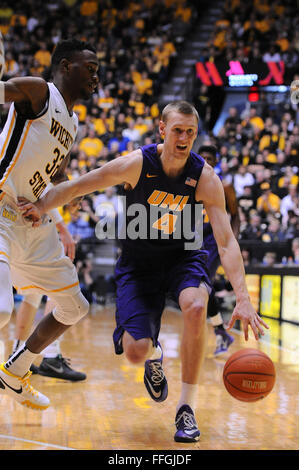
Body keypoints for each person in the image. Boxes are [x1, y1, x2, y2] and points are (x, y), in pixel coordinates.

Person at [17, 101, 269, 442]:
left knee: (196, 307)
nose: (183, 138)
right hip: (138, 265)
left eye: (190, 132)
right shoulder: (137, 164)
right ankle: (154, 356)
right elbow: (81, 185)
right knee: (135, 352)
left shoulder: (205, 178)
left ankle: (186, 410)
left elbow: (225, 242)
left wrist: (243, 298)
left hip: (184, 259)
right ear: (162, 130)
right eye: (177, 130)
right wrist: (42, 205)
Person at [0, 38, 99, 410]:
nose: (96, 75)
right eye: (89, 68)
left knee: (75, 307)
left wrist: (59, 223)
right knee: (2, 310)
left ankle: (15, 370)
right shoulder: (40, 91)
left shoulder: (71, 122)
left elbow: (52, 178)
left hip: (31, 219)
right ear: (65, 65)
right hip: (1, 206)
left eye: (97, 70)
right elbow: (4, 91)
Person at [11, 206, 86, 382]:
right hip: (38, 234)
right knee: (59, 291)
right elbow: (51, 194)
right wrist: (64, 231)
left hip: (24, 236)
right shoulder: (56, 192)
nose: (81, 205)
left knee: (32, 295)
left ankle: (18, 353)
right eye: (79, 201)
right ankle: (51, 356)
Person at [198, 145, 240, 355]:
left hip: (214, 238)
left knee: (202, 283)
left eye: (210, 158)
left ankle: (219, 332)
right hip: (196, 237)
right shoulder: (192, 183)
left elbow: (236, 215)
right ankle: (221, 332)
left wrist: (231, 240)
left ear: (215, 161)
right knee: (201, 286)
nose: (206, 161)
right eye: (202, 157)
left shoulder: (225, 187)